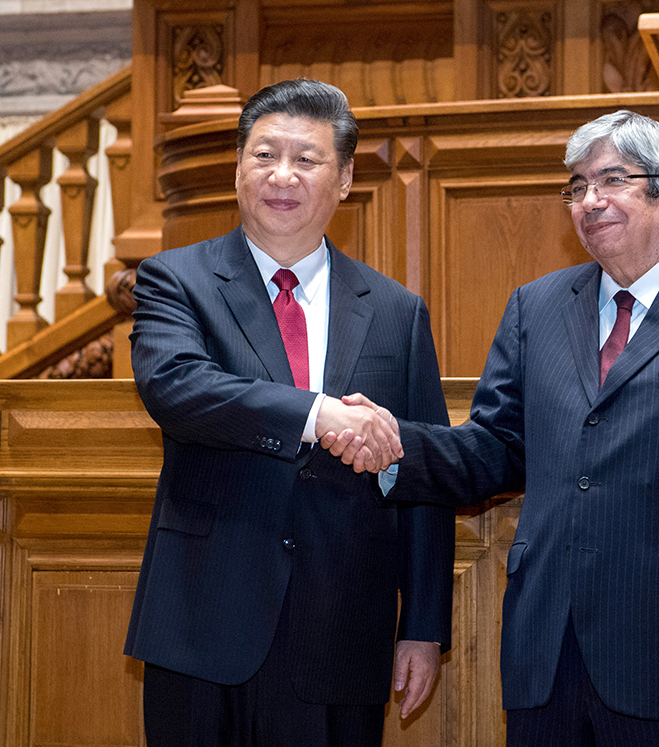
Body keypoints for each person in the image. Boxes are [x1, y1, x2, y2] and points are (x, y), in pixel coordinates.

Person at [325, 110, 659, 745]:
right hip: (548, 655)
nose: (589, 201)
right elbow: (497, 448)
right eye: (578, 186)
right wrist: (392, 444)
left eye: (611, 180)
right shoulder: (537, 305)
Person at [124, 78, 454, 747]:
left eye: (306, 159)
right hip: (201, 624)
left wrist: (423, 624)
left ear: (345, 179)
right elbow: (177, 387)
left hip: (341, 632)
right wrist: (318, 415)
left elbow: (420, 473)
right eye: (264, 154)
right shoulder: (174, 279)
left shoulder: (397, 311)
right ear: (238, 166)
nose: (282, 175)